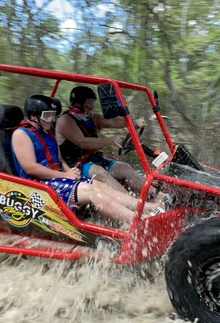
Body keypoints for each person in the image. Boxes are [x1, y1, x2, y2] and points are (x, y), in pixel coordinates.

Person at [11, 95, 163, 227]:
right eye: (47, 116)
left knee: (100, 185)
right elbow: (30, 168)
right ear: (32, 116)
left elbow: (58, 158)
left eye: (52, 115)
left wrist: (67, 170)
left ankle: (149, 207)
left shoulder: (47, 132)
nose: (51, 120)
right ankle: (139, 220)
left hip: (55, 178)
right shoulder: (21, 134)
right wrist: (63, 176)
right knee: (91, 191)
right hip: (37, 185)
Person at [55, 86, 153, 197]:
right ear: (78, 102)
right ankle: (133, 204)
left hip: (93, 158)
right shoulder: (66, 120)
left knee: (125, 168)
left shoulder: (90, 117)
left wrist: (133, 122)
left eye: (92, 102)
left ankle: (155, 195)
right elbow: (82, 142)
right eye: (88, 103)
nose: (91, 106)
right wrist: (110, 140)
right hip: (75, 164)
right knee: (100, 172)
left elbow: (112, 122)